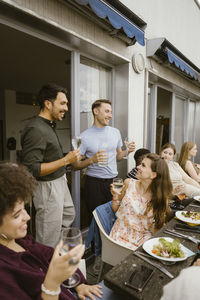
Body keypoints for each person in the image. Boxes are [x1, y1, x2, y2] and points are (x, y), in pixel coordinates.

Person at [0, 162, 103, 300]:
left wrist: (79, 284)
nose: (28, 217)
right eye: (17, 215)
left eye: (24, 209)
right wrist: (52, 284)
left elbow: (51, 256)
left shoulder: (22, 241)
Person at [21, 83, 80, 247]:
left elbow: (48, 156)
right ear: (48, 104)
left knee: (68, 213)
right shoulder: (36, 129)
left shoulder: (48, 125)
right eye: (62, 103)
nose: (66, 108)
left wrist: (62, 172)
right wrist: (66, 160)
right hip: (47, 187)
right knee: (47, 235)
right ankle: (45, 263)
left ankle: (55, 248)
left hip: (58, 181)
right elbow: (32, 169)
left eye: (66, 103)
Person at [72, 99, 135, 218]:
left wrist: (127, 151)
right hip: (94, 184)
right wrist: (92, 160)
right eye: (107, 111)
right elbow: (75, 166)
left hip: (113, 182)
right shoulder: (84, 137)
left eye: (111, 112)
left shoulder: (115, 132)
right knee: (95, 218)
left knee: (113, 216)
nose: (110, 115)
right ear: (96, 111)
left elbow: (118, 156)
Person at [109, 153, 172, 250]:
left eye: (143, 165)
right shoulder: (128, 183)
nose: (138, 167)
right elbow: (116, 210)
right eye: (140, 164)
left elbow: (156, 229)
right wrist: (115, 196)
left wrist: (159, 226)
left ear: (153, 175)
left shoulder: (159, 198)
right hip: (119, 236)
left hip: (144, 240)